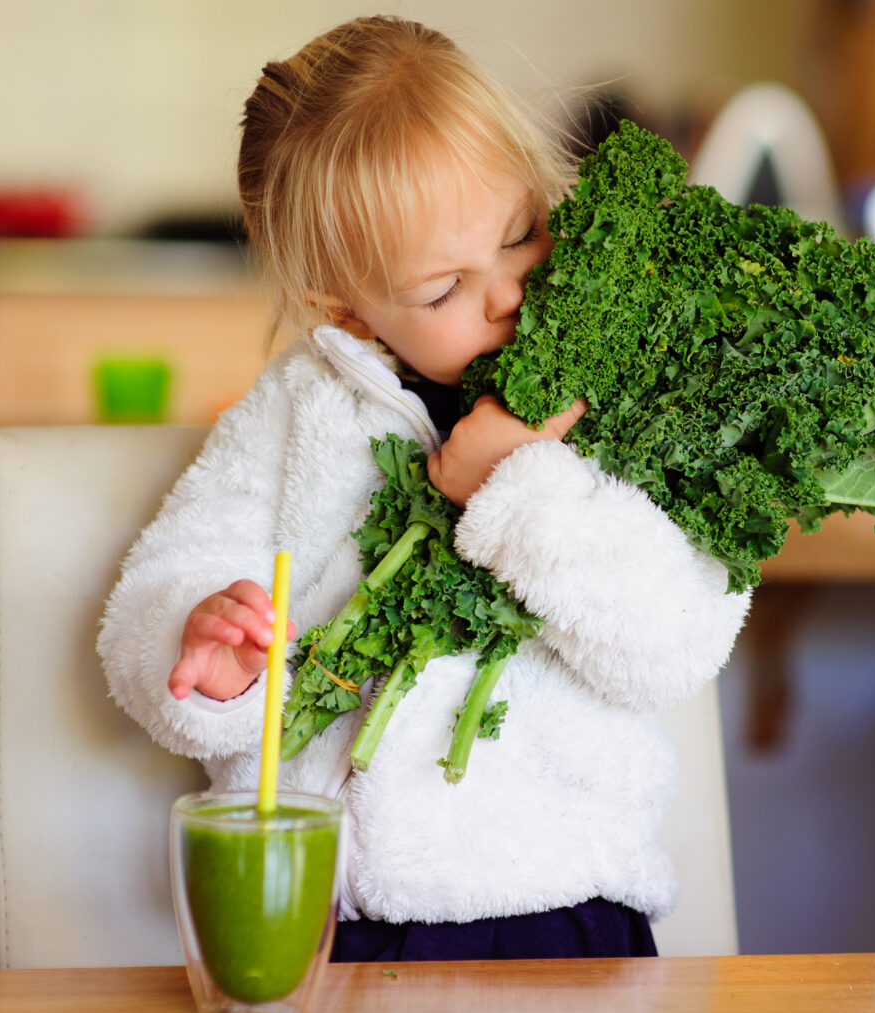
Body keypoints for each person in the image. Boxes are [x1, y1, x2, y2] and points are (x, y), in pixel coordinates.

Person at [98, 15, 751, 962]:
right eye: (443, 289)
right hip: (339, 908)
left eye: (522, 235)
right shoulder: (299, 409)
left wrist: (520, 491)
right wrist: (202, 639)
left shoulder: (616, 393)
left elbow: (672, 645)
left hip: (563, 898)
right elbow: (158, 588)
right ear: (346, 305)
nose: (504, 294)